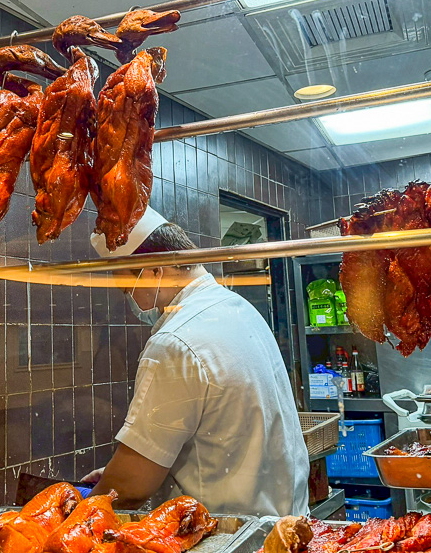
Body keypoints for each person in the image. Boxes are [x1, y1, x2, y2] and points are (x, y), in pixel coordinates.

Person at [82, 207, 310, 516]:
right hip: (285, 522)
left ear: (154, 269)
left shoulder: (175, 342)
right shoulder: (237, 308)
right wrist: (119, 473)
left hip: (228, 537)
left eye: (127, 287)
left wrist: (101, 496)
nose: (130, 299)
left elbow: (133, 487)